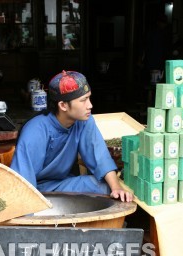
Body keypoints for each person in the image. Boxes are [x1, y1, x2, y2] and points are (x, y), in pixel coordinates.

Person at [11, 70, 133, 202]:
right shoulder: (35, 130)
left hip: (63, 183)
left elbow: (100, 157)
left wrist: (116, 188)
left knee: (106, 187)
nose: (90, 105)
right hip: (36, 189)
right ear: (63, 105)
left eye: (89, 98)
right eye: (83, 100)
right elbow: (22, 182)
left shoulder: (84, 121)